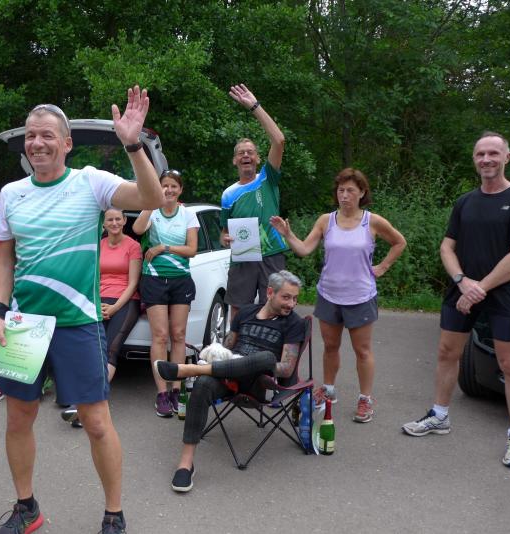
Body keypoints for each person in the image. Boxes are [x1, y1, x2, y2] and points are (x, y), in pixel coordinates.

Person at [0, 87, 164, 534]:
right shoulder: (11, 193)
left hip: (79, 321)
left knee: (97, 422)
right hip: (23, 324)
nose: (37, 143)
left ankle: (114, 513)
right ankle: (26, 507)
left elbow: (151, 199)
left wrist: (133, 145)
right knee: (18, 419)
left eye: (47, 135)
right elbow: (5, 258)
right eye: (31, 136)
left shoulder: (90, 181)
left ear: (66, 143)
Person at [402, 132, 510, 470]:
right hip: (461, 289)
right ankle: (439, 415)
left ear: (507, 157)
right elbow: (447, 247)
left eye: (493, 153)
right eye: (480, 154)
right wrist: (462, 282)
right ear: (475, 159)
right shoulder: (465, 202)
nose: (486, 159)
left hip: (503, 294)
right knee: (447, 353)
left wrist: (480, 289)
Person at [270, 168, 406, 422]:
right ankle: (329, 390)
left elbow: (399, 242)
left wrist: (383, 267)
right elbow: (304, 249)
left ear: (362, 193)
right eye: (341, 190)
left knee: (362, 350)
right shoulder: (326, 220)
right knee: (331, 346)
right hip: (329, 294)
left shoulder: (372, 221)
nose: (344, 195)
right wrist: (287, 234)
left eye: (350, 190)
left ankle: (365, 399)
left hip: (361, 296)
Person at [154, 270, 307, 492]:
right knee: (202, 384)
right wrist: (216, 354)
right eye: (286, 297)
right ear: (270, 292)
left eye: (295, 298)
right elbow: (226, 348)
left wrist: (254, 363)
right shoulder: (245, 313)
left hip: (257, 383)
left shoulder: (294, 323)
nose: (291, 304)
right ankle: (186, 464)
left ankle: (189, 370)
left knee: (265, 358)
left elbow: (286, 368)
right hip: (228, 379)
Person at [61, 207, 142, 426]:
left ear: (124, 221)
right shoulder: (98, 244)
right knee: (90, 349)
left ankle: (88, 404)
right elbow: (91, 278)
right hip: (98, 300)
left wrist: (114, 308)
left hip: (125, 301)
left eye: (118, 219)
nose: (114, 223)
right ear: (103, 224)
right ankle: (80, 400)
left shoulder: (133, 246)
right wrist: (96, 303)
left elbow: (133, 283)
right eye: (109, 220)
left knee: (111, 349)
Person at [219, 84, 289, 323]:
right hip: (243, 256)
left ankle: (270, 348)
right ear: (234, 160)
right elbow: (224, 233)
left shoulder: (267, 178)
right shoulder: (228, 194)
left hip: (272, 253)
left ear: (258, 158)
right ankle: (237, 347)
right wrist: (225, 239)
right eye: (241, 153)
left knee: (276, 309)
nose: (246, 155)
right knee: (238, 312)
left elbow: (279, 140)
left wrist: (255, 106)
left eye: (250, 152)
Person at [132, 170, 199, 417]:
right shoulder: (152, 212)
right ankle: (162, 393)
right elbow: (138, 229)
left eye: (173, 186)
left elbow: (192, 250)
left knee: (178, 335)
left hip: (181, 280)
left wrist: (164, 247)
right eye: (164, 186)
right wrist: (151, 202)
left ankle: (177, 389)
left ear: (180, 190)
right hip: (154, 280)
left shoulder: (188, 214)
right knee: (160, 336)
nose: (168, 190)